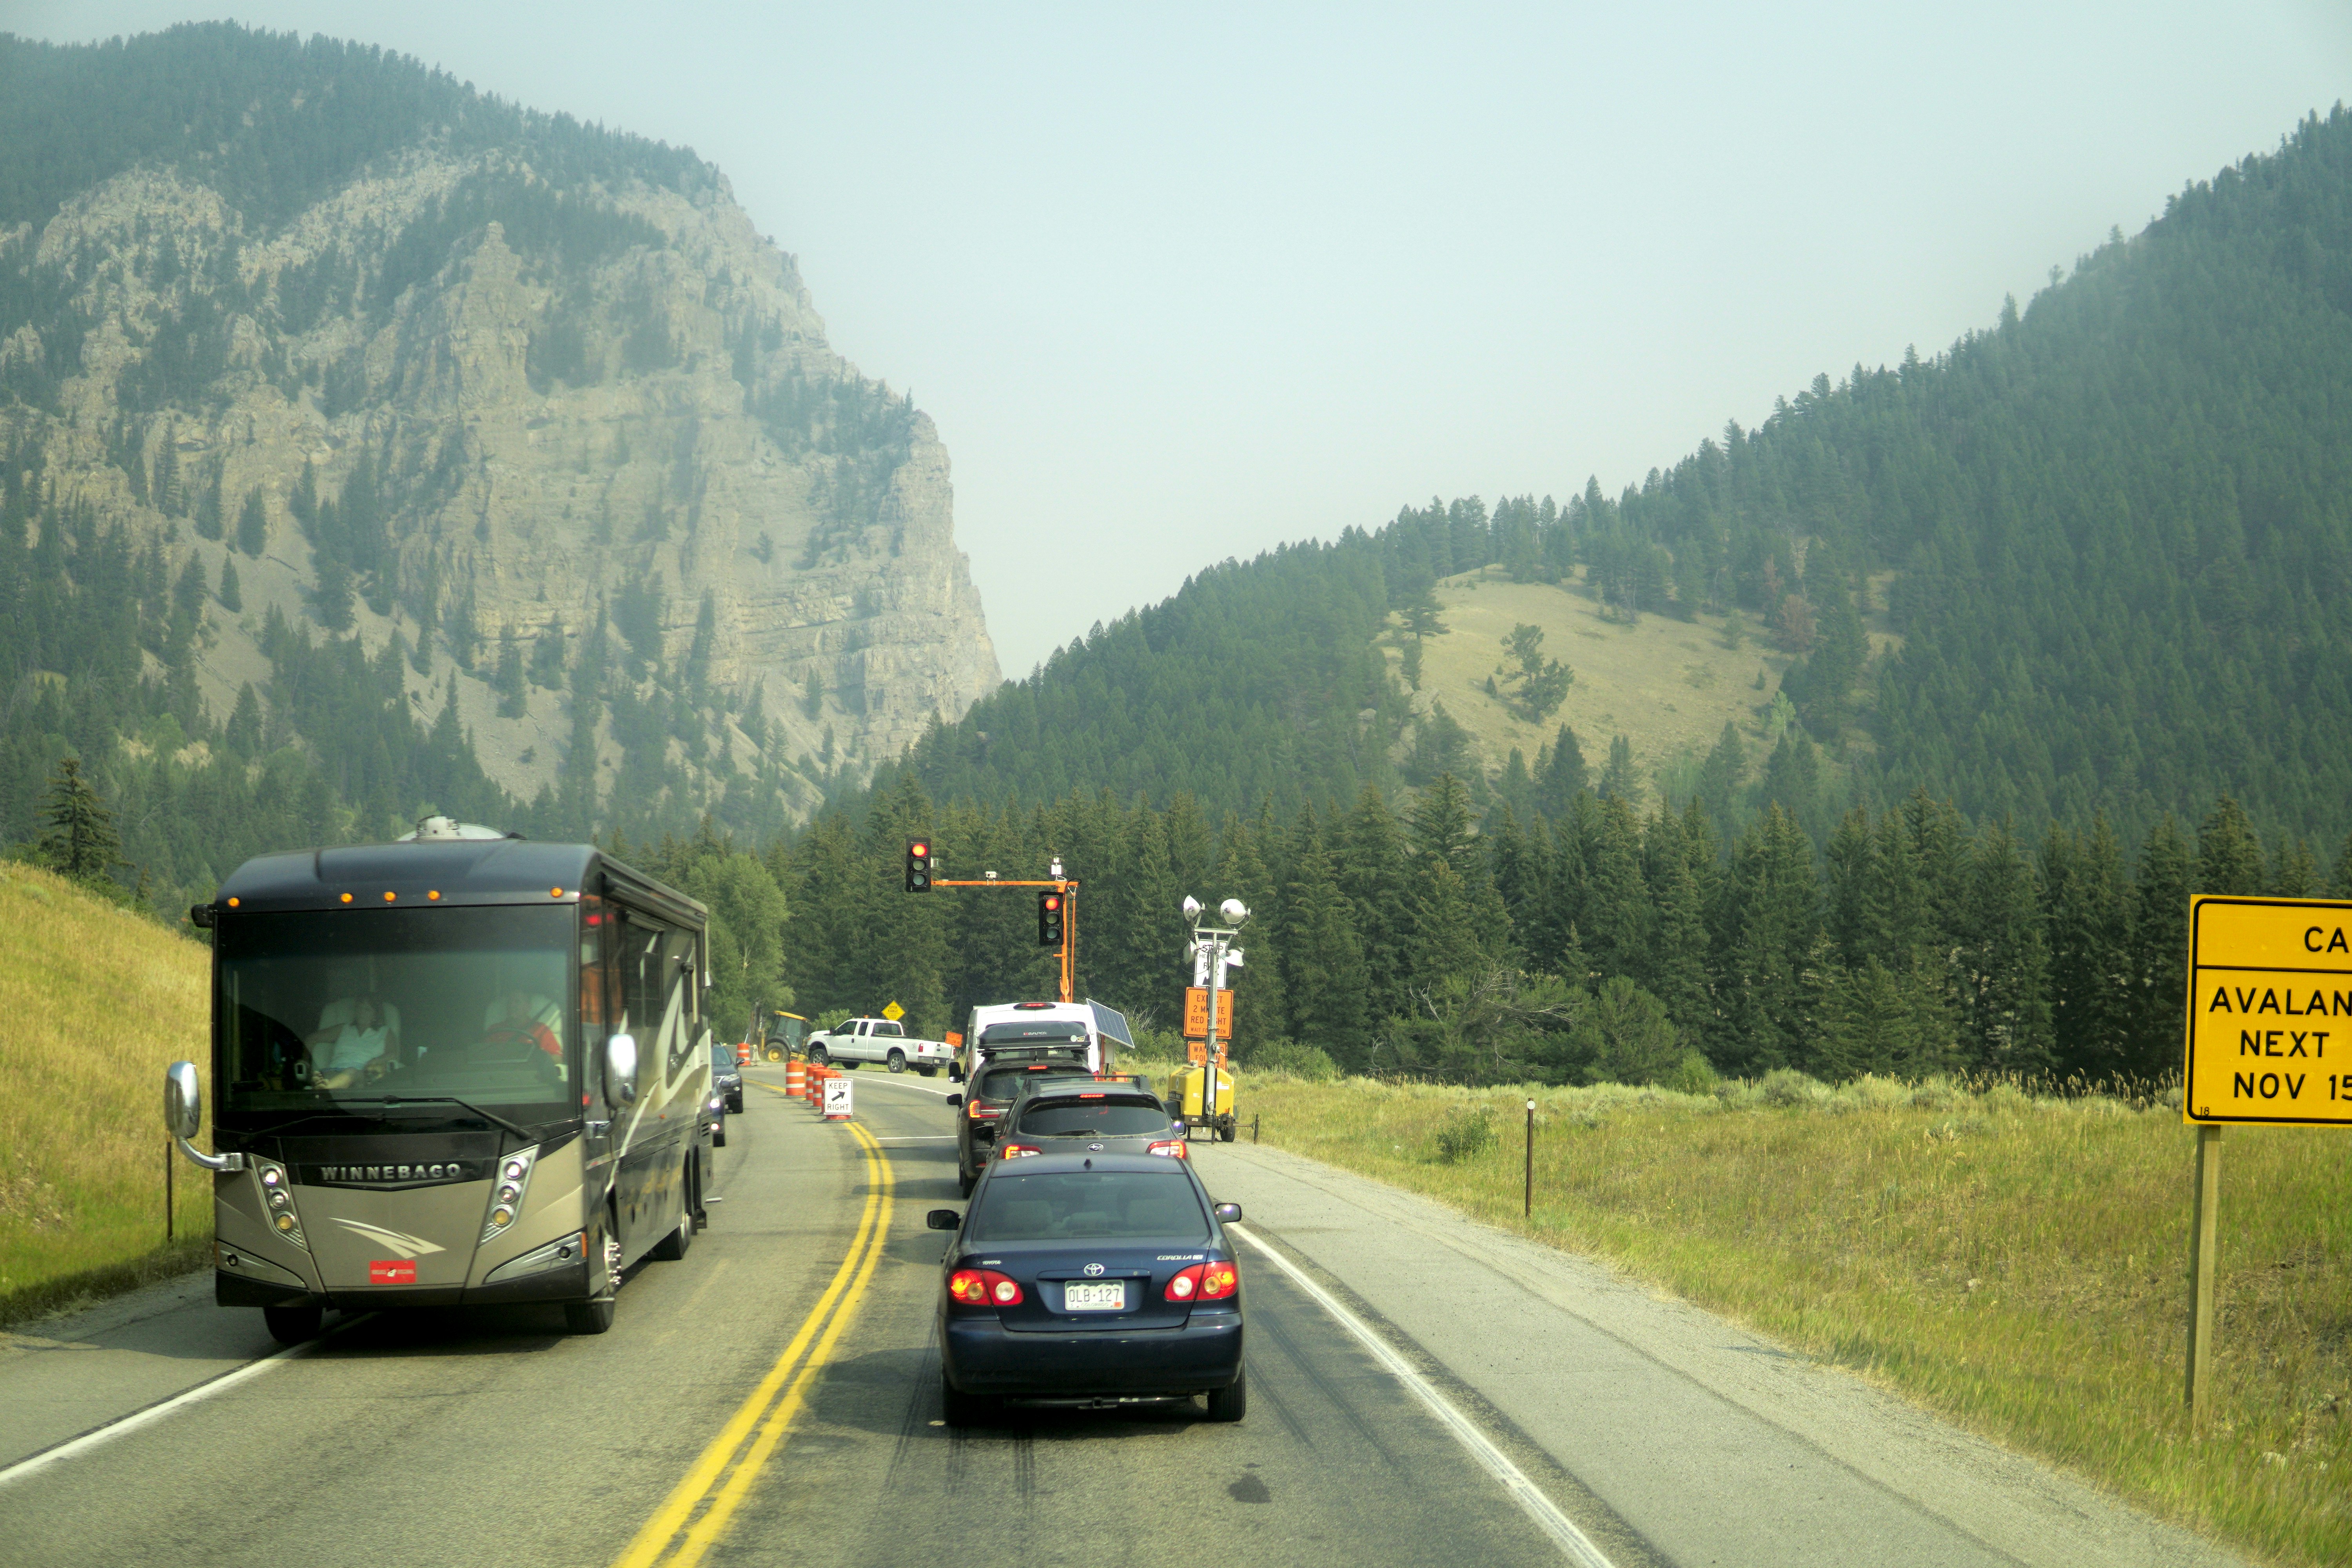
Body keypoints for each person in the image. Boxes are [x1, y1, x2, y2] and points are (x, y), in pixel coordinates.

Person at [310, 995, 395, 1088]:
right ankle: (326, 1088)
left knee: (351, 1073)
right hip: (335, 1070)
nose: (361, 1012)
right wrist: (305, 1062)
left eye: (367, 1010)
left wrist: (376, 1061)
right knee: (324, 1076)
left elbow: (393, 1054)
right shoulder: (344, 1029)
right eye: (359, 1008)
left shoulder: (384, 1032)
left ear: (375, 1016)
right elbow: (312, 1038)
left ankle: (324, 1090)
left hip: (364, 1074)